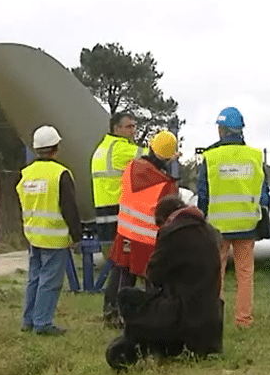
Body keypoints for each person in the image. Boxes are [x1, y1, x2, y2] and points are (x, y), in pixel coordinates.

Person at [106, 195, 223, 370]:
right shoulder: (210, 231)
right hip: (211, 324)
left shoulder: (173, 232)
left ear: (164, 218)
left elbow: (153, 275)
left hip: (183, 317)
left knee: (126, 296)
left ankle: (140, 346)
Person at [197, 107, 270, 329]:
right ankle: (243, 320)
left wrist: (202, 219)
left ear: (221, 130)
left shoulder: (210, 157)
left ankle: (214, 319)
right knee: (245, 274)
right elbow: (264, 192)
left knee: (214, 274)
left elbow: (203, 194)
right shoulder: (255, 156)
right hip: (247, 223)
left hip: (217, 226)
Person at [15, 125, 82, 336]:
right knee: (50, 282)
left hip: (33, 235)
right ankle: (42, 323)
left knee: (34, 279)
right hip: (54, 237)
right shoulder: (60, 174)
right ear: (56, 147)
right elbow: (69, 207)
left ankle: (29, 320)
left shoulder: (25, 174)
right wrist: (77, 236)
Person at [91, 112, 148, 327]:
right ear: (117, 128)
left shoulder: (101, 149)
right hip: (118, 216)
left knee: (119, 265)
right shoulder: (120, 148)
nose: (133, 130)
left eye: (134, 126)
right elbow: (152, 156)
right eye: (129, 126)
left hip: (104, 216)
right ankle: (116, 312)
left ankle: (113, 310)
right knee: (125, 266)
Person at [108, 130, 179, 294]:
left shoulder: (131, 167)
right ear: (169, 157)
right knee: (154, 282)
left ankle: (112, 312)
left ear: (151, 147)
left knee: (121, 276)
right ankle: (154, 315)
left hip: (125, 234)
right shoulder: (167, 185)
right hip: (150, 242)